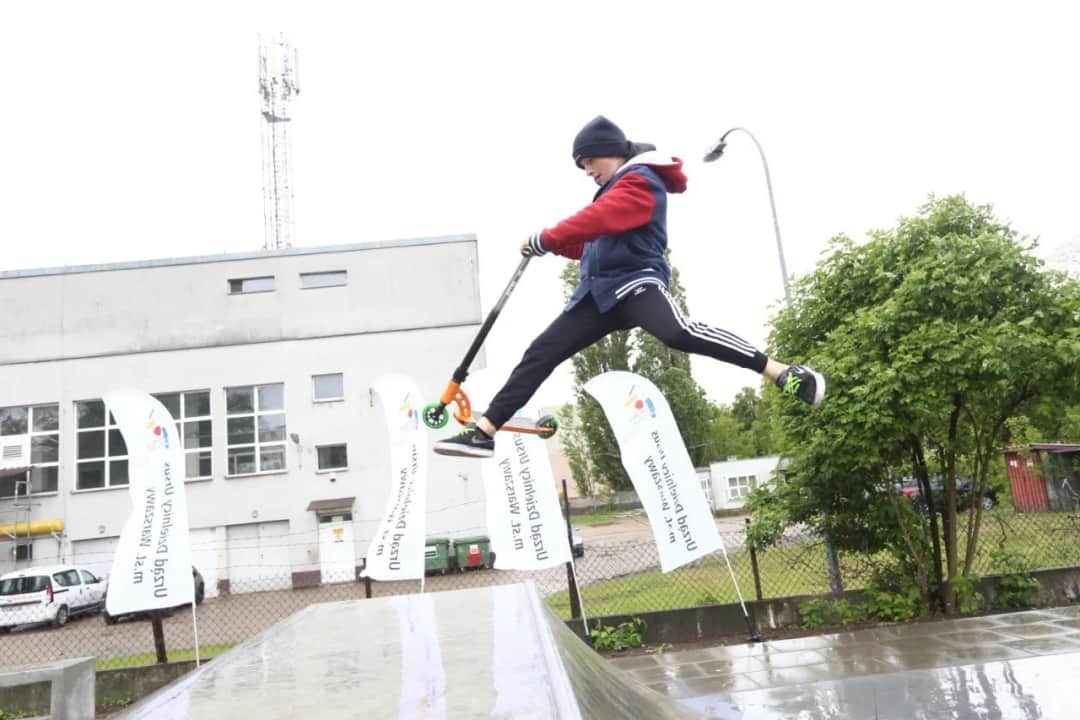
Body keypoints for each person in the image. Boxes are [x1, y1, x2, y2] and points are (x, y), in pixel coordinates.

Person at [435, 116, 825, 458]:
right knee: (541, 352)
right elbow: (592, 242)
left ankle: (782, 372)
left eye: (589, 161)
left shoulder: (640, 182)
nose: (587, 170)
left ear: (610, 152)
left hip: (637, 284)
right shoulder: (613, 188)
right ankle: (484, 433)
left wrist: (549, 236)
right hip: (597, 295)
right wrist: (551, 246)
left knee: (677, 332)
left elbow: (601, 218)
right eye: (582, 165)